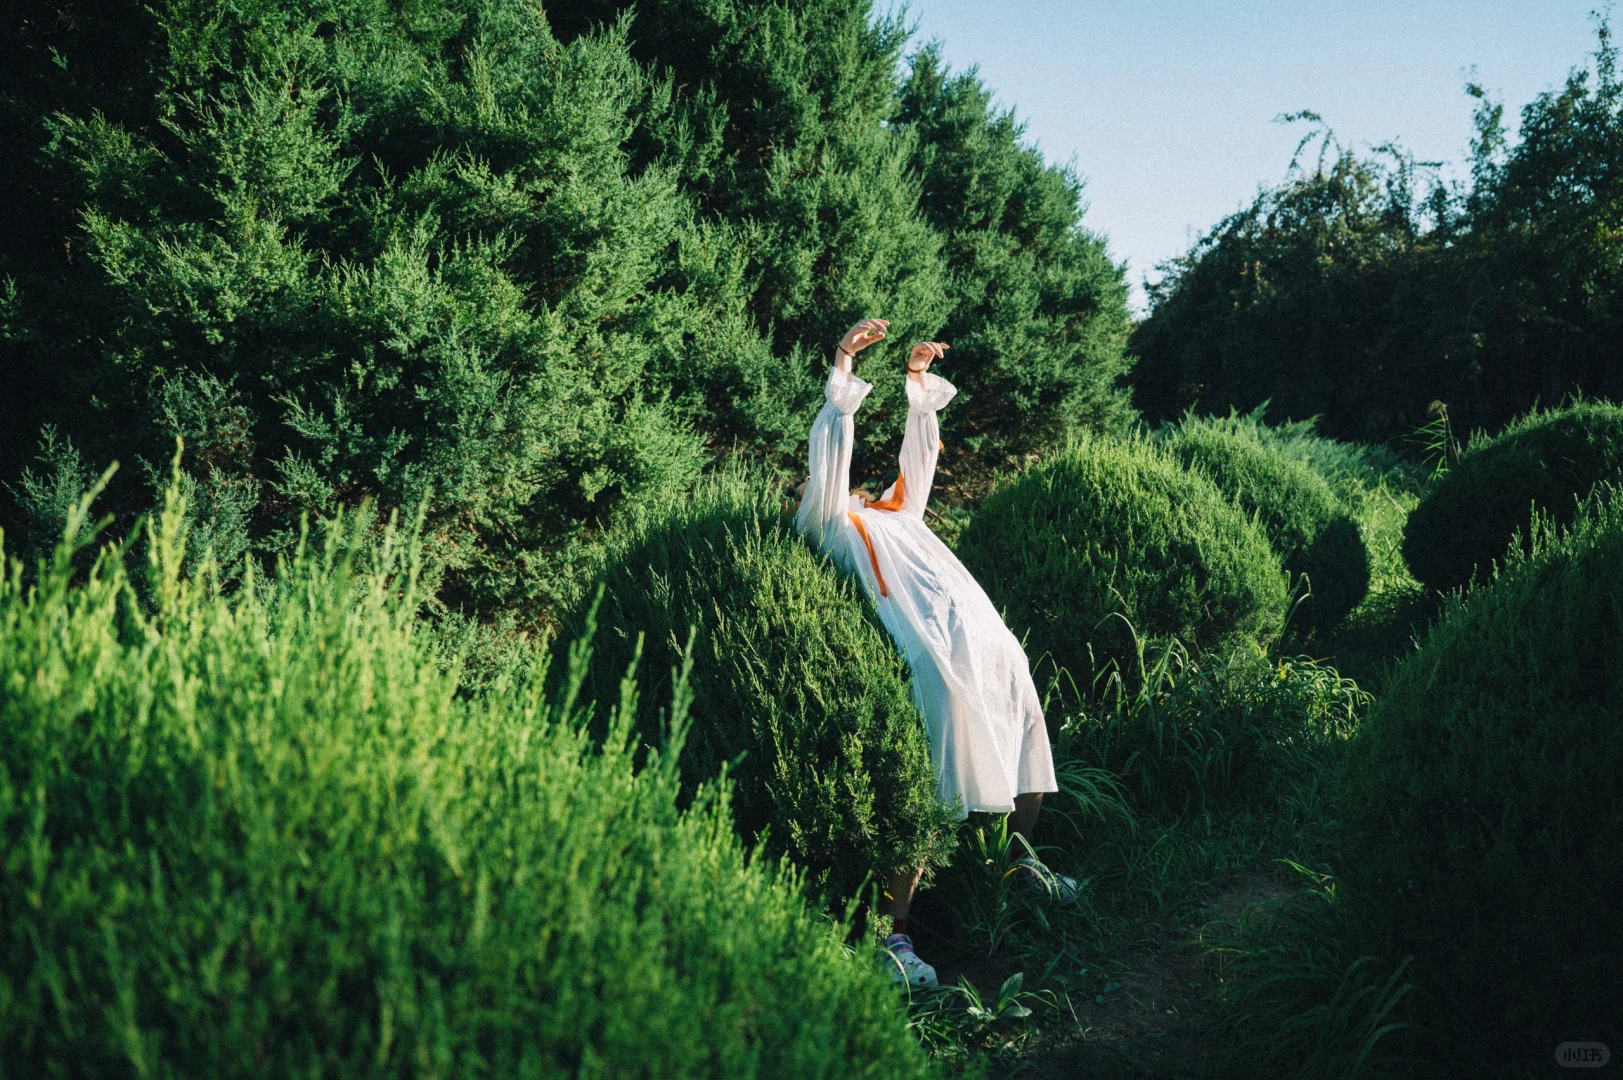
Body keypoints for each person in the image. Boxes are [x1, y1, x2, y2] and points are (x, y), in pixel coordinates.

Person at [794, 317, 1079, 989]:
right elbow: (829, 447)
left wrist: (917, 384)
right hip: (933, 664)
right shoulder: (830, 524)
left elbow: (918, 462)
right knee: (935, 772)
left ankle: (1020, 861)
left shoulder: (899, 517)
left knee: (1024, 725)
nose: (830, 486)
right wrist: (842, 363)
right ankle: (896, 936)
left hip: (985, 646)